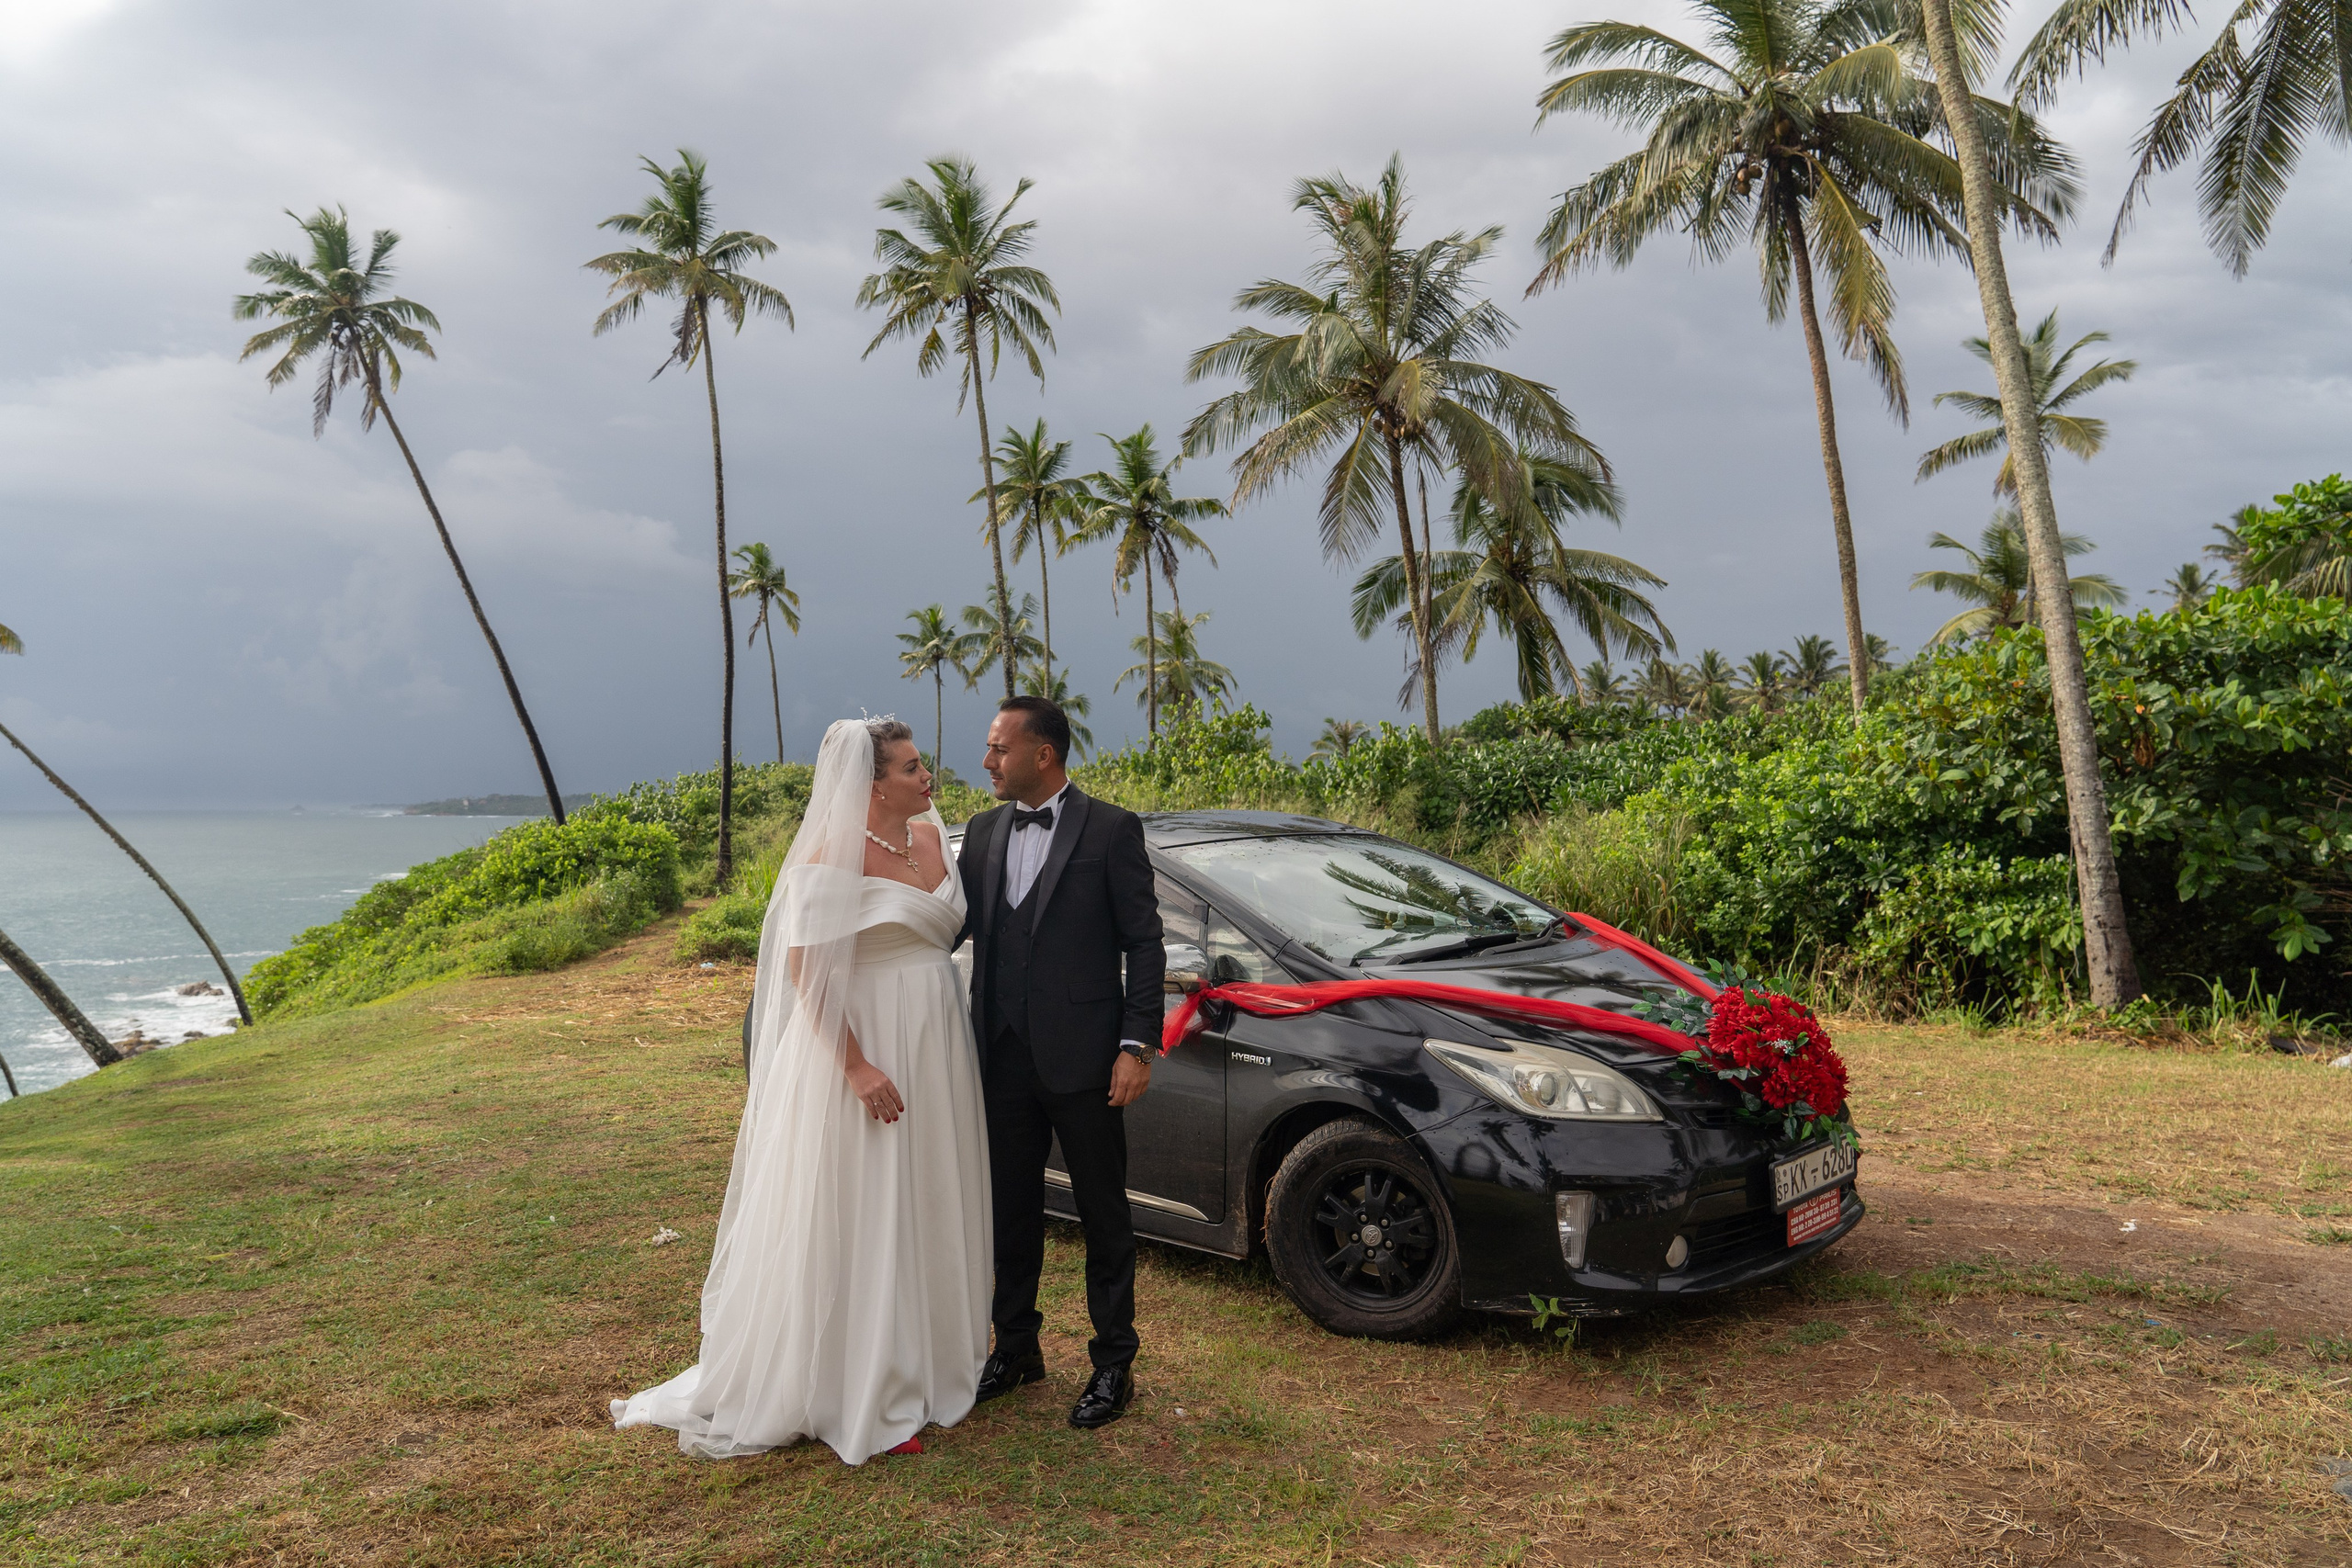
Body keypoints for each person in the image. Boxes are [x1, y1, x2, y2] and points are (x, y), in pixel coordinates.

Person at [611, 717, 989, 1464]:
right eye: (913, 768)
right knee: (868, 1198)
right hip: (869, 1043)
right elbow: (804, 970)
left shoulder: (929, 839)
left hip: (936, 1040)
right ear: (873, 782)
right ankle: (860, 1373)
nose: (928, 778)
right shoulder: (831, 854)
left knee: (925, 1190)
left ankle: (934, 1350)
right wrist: (855, 1065)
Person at [957, 695, 1165, 1429]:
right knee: (1009, 1209)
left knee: (1103, 1213)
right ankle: (1016, 1347)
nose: (986, 760)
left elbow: (1145, 943)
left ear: (1042, 754)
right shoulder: (980, 833)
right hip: (1001, 1058)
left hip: (1086, 1061)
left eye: (997, 747)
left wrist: (1137, 1043)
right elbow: (944, 930)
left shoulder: (1111, 829)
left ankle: (1114, 1362)